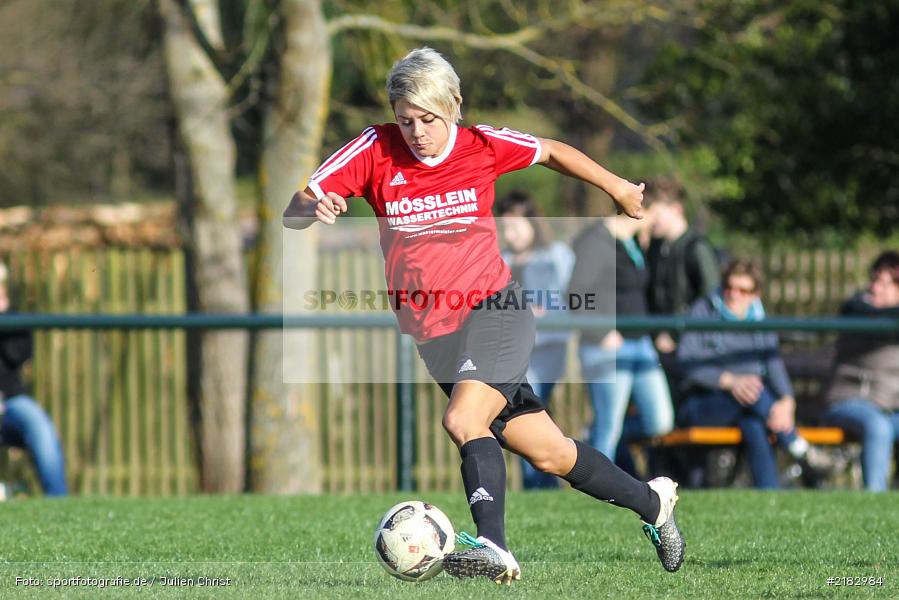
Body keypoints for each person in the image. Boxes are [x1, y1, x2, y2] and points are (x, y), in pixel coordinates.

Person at [284, 48, 684, 583]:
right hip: (436, 336)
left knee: (463, 421)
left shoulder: (481, 145)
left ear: (454, 107)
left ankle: (493, 547)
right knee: (550, 454)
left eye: (428, 119)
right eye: (406, 120)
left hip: (496, 310)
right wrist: (314, 207)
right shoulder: (374, 148)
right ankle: (653, 503)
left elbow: (551, 151)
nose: (417, 132)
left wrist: (615, 187)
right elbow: (294, 210)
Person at [676, 259, 829, 489]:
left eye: (743, 290)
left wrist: (787, 401)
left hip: (750, 406)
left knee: (754, 424)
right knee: (753, 392)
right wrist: (730, 382)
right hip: (701, 404)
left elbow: (773, 364)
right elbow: (686, 364)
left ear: (755, 294)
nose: (733, 295)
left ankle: (770, 496)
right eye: (729, 287)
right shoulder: (704, 310)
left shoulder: (759, 320)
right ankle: (799, 449)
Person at [568, 213, 675, 473]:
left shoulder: (634, 241)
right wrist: (601, 331)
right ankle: (595, 488)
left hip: (640, 343)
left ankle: (591, 436)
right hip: (608, 346)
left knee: (661, 421)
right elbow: (575, 294)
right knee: (609, 428)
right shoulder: (596, 241)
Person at [495, 190, 574, 490]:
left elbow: (574, 297)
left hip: (547, 347)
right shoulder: (501, 259)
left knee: (528, 410)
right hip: (513, 350)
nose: (509, 234)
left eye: (515, 226)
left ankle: (539, 483)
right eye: (505, 228)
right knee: (529, 414)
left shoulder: (557, 256)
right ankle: (541, 484)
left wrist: (545, 308)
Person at [822, 251, 899, 491]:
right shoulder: (856, 310)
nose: (876, 288)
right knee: (878, 426)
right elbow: (867, 314)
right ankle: (874, 500)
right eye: (875, 279)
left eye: (886, 283)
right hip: (849, 402)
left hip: (890, 407)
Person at [0, 262, 68, 497]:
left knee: (40, 426)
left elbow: (17, 353)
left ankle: (58, 499)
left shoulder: (15, 320)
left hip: (11, 400)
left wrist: (4, 313)